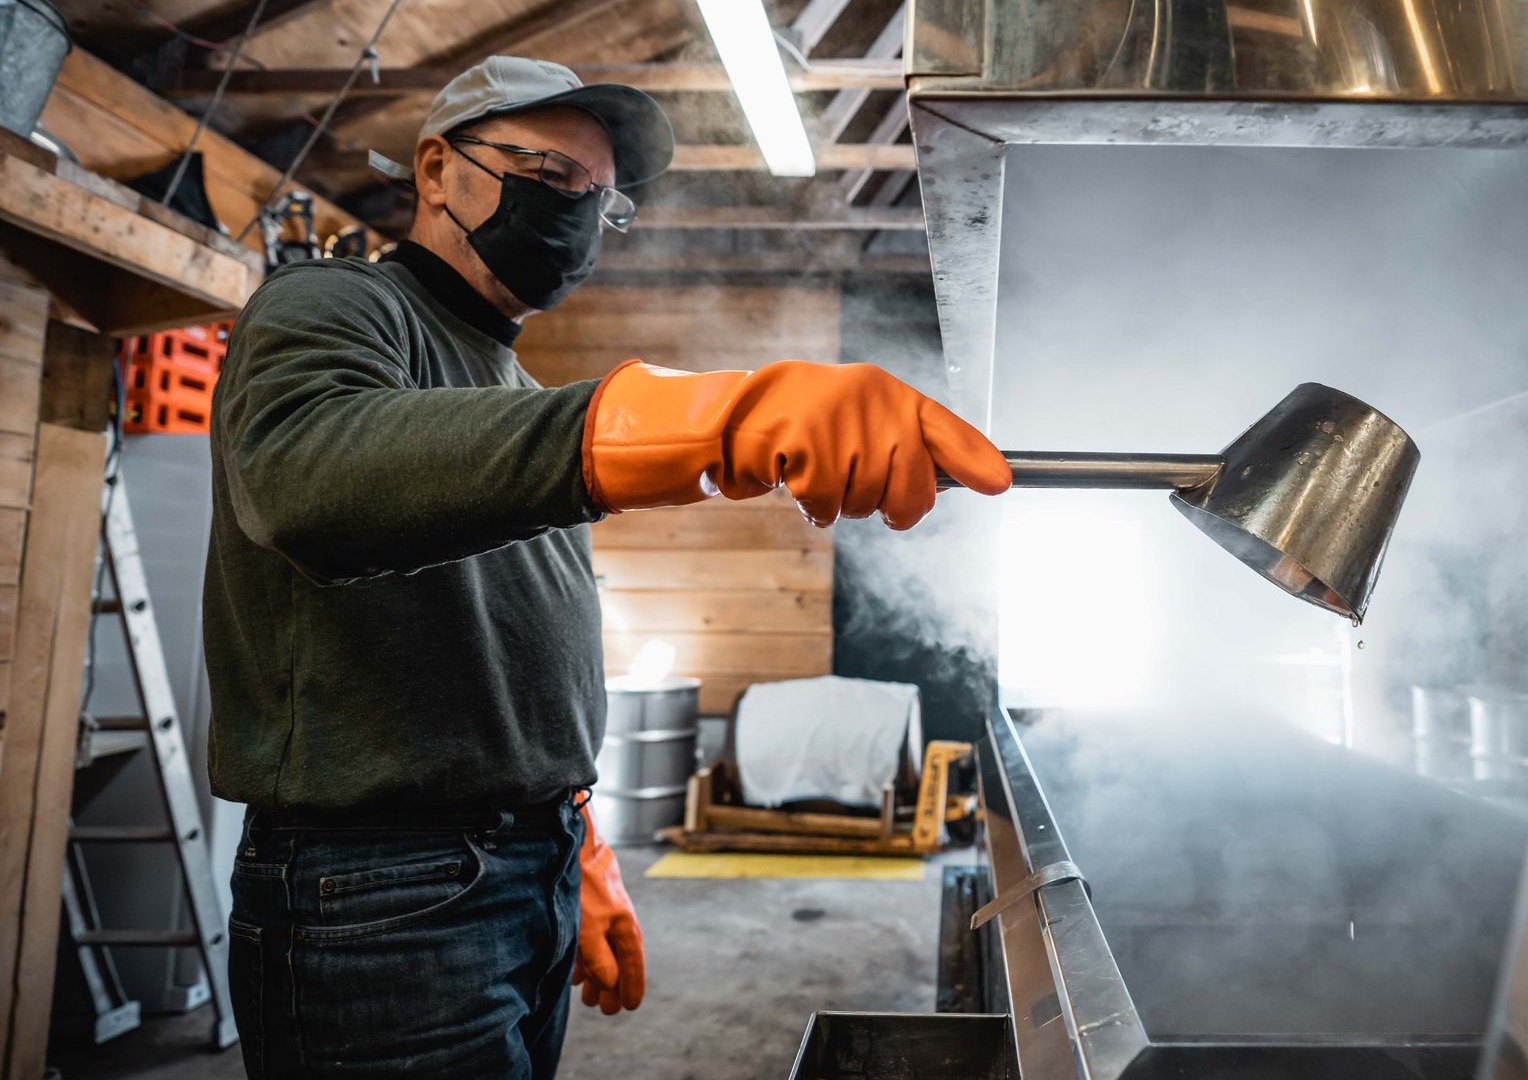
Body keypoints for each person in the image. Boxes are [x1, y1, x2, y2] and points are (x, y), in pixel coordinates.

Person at [203, 55, 1011, 1079]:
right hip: (381, 894)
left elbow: (501, 640)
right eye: (547, 176)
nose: (576, 212)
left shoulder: (511, 380)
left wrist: (571, 835)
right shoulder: (335, 307)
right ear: (439, 170)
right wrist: (704, 417)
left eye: (598, 197)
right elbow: (306, 479)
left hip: (516, 868)